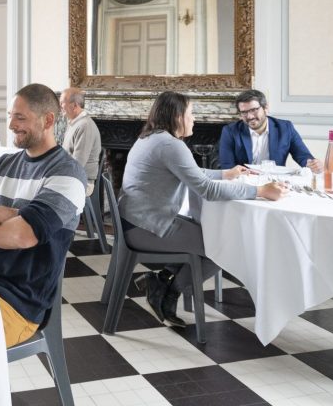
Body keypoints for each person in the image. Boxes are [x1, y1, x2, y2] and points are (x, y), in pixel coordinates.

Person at [119, 91, 287, 327]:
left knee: (213, 238)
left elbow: (190, 173)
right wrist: (260, 191)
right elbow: (207, 190)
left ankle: (160, 281)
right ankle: (168, 292)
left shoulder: (151, 138)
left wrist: (225, 174)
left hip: (137, 220)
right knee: (224, 247)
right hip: (145, 228)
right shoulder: (170, 145)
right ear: (178, 116)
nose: (194, 119)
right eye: (191, 113)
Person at [0, 84, 86, 347]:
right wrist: (9, 213)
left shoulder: (68, 173)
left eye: (20, 117)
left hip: (20, 303)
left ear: (48, 120)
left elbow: (20, 235)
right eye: (11, 116)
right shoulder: (3, 164)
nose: (11, 125)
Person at [218, 89, 323, 172]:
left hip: (276, 182)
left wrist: (312, 164)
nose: (249, 116)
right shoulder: (230, 131)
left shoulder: (285, 128)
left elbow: (303, 155)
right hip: (244, 182)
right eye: (244, 112)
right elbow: (227, 166)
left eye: (254, 110)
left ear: (266, 108)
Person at [59, 87, 102, 195]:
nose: (60, 107)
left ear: (74, 106)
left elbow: (77, 165)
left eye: (62, 103)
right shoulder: (74, 123)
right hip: (73, 178)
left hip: (82, 182)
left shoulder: (85, 126)